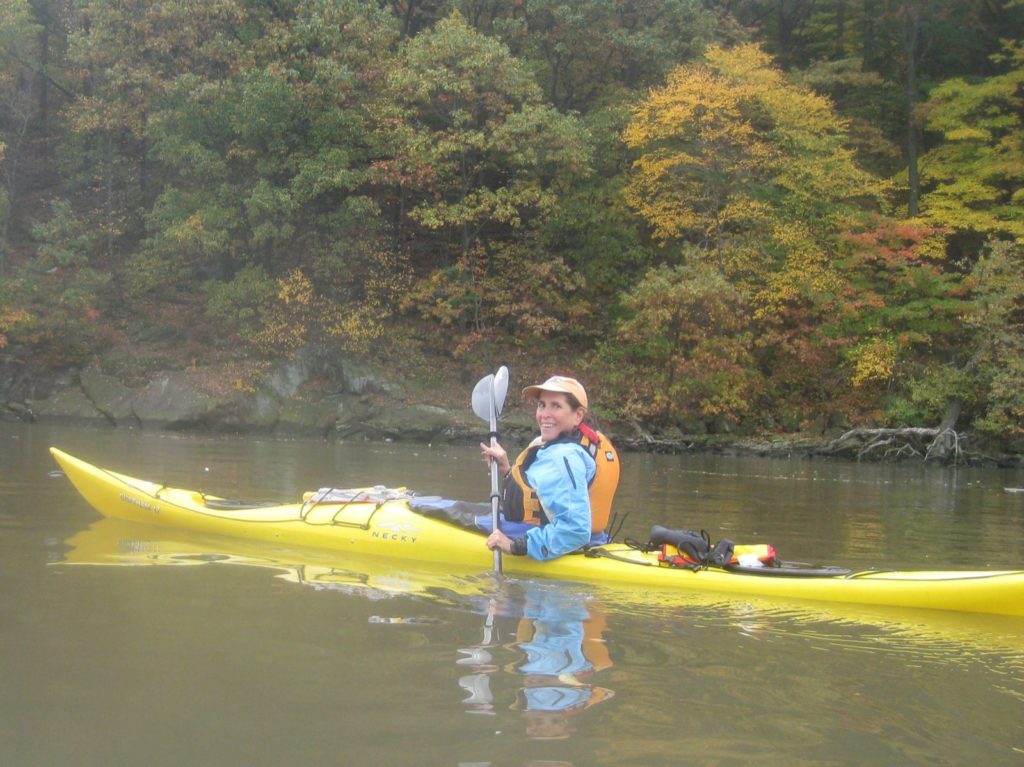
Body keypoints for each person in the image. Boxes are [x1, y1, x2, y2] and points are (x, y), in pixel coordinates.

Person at [482, 375, 615, 561]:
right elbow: (539, 496)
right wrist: (506, 469)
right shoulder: (555, 444)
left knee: (441, 510)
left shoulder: (565, 457)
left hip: (543, 539)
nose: (545, 414)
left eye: (556, 406)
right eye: (542, 405)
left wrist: (514, 546)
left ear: (578, 415)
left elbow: (576, 529)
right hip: (563, 533)